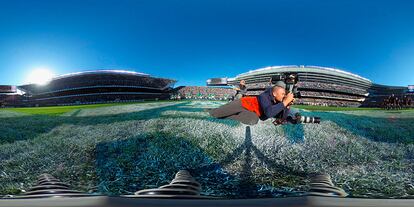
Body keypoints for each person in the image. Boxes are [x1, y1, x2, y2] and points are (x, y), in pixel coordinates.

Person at [209, 81, 295, 125]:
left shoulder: (278, 103)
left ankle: (225, 117)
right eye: (283, 94)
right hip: (242, 104)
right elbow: (269, 113)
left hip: (250, 112)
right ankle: (210, 111)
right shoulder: (264, 96)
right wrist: (285, 102)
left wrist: (287, 106)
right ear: (274, 93)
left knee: (253, 120)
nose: (284, 96)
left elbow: (282, 118)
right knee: (215, 113)